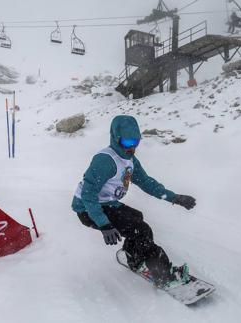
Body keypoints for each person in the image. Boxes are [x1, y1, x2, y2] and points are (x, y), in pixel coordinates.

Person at [71, 115, 197, 289]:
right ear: (116, 139)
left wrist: (174, 198)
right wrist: (103, 224)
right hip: (87, 208)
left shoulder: (129, 160)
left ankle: (134, 258)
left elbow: (146, 182)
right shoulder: (105, 161)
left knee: (137, 217)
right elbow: (88, 194)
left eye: (135, 142)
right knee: (140, 230)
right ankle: (164, 275)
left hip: (106, 203)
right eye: (128, 142)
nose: (132, 148)